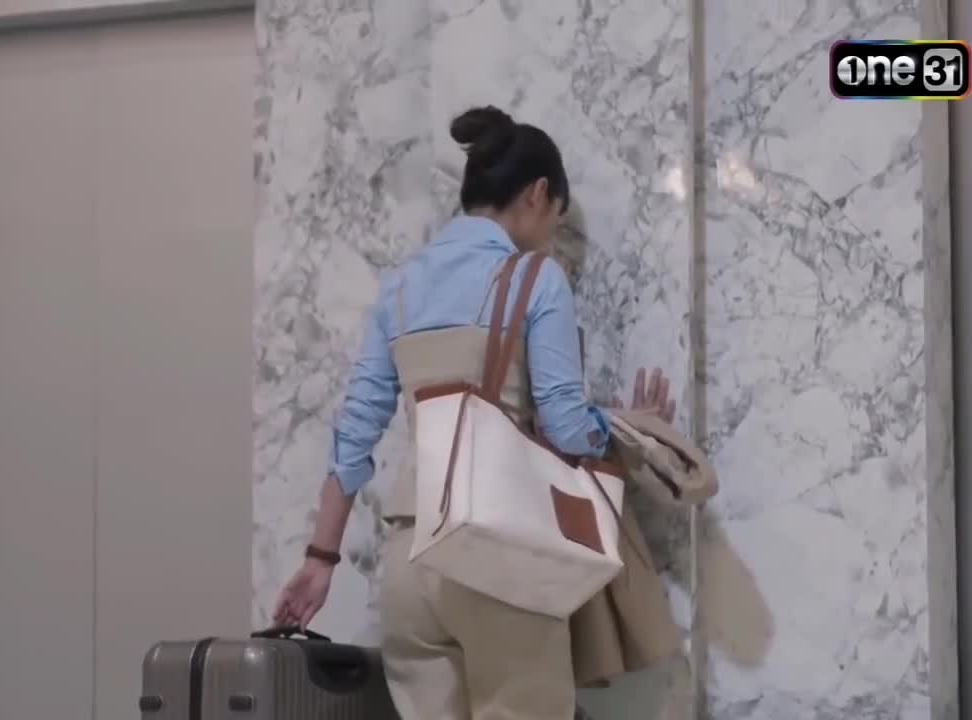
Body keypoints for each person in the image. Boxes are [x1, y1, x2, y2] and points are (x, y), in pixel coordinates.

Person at [272, 106, 676, 720]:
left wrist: (319, 560)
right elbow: (567, 427)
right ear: (538, 194)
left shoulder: (401, 288)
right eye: (557, 216)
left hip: (410, 564)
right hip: (495, 554)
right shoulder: (536, 277)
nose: (552, 234)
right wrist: (627, 426)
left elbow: (353, 435)